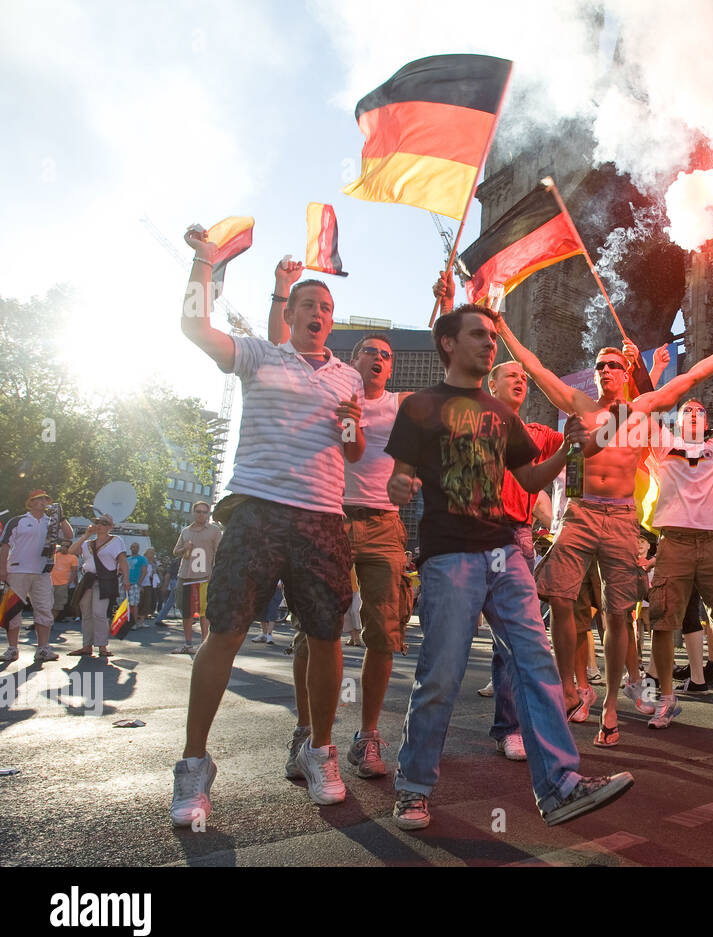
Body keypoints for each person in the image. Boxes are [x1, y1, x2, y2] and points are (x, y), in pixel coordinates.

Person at [384, 300, 633, 829]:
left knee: (536, 664)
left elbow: (528, 480)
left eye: (492, 337)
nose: (489, 343)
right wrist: (400, 485)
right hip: (449, 555)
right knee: (441, 674)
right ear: (449, 343)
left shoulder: (502, 416)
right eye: (478, 335)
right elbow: (395, 478)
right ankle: (413, 786)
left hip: (505, 551)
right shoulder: (421, 406)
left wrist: (569, 453)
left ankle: (560, 784)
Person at [169, 226, 364, 827]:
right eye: (308, 304)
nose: (318, 312)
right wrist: (204, 262)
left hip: (322, 519)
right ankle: (194, 766)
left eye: (326, 307)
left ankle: (320, 753)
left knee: (326, 637)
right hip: (255, 510)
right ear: (291, 312)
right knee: (224, 631)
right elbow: (195, 329)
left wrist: (352, 426)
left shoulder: (348, 378)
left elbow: (352, 455)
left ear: (332, 321)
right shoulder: (260, 355)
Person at [491, 307, 713, 747]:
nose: (606, 370)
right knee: (562, 598)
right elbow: (535, 365)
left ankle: (610, 703)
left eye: (614, 365)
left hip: (622, 515)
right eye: (600, 365)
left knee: (618, 611)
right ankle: (570, 685)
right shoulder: (579, 405)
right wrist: (504, 327)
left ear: (626, 372)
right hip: (582, 512)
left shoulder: (642, 410)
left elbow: (692, 378)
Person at [271, 300, 416, 782]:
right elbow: (279, 352)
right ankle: (308, 732)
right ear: (350, 361)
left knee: (383, 632)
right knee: (314, 631)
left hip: (383, 525)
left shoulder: (401, 405)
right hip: (326, 517)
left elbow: (451, 387)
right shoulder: (328, 395)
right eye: (368, 351)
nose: (378, 358)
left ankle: (368, 736)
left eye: (386, 355)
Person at [642, 397, 713, 729]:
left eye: (699, 411)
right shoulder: (664, 442)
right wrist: (645, 367)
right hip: (673, 541)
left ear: (706, 422)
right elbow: (649, 401)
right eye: (685, 411)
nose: (692, 414)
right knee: (663, 619)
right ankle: (667, 698)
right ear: (674, 421)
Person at [481, 359, 565, 759]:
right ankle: (425, 742)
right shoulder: (472, 424)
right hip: (466, 535)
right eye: (510, 375)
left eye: (524, 378)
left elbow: (581, 434)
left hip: (517, 537)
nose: (519, 380)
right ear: (490, 383)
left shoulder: (538, 434)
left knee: (515, 640)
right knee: (445, 644)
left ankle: (510, 727)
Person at [1, 490, 73, 663]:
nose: (43, 502)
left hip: (42, 572)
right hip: (18, 570)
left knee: (44, 609)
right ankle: (12, 649)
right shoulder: (18, 521)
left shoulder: (52, 523)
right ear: (30, 502)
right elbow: (4, 546)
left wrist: (61, 518)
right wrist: (2, 569)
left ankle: (43, 648)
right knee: (13, 610)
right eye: (39, 499)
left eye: (45, 499)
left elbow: (69, 536)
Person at [67, 515, 130, 659]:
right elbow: (71, 551)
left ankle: (102, 646)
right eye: (97, 523)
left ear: (110, 526)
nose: (100, 525)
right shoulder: (88, 543)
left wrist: (126, 579)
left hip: (105, 580)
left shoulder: (116, 541)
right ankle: (86, 645)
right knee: (86, 613)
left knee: (99, 613)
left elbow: (122, 560)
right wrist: (87, 534)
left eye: (104, 523)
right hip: (88, 579)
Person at [170, 503, 223, 654]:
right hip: (185, 576)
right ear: (193, 512)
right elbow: (175, 551)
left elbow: (220, 554)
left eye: (205, 512)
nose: (201, 514)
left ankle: (204, 646)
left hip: (204, 576)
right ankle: (188, 644)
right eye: (198, 511)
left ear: (208, 514)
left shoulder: (214, 531)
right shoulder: (186, 531)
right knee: (186, 612)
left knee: (203, 613)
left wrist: (216, 574)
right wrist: (184, 548)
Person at [51, 543, 81, 622]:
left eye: (66, 546)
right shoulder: (55, 555)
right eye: (63, 545)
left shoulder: (73, 557)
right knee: (46, 604)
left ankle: (49, 622)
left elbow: (74, 572)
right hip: (50, 583)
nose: (64, 547)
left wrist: (68, 583)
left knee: (58, 605)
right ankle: (46, 622)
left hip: (62, 584)